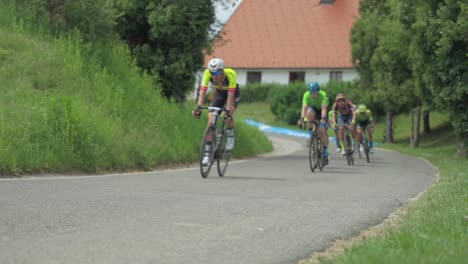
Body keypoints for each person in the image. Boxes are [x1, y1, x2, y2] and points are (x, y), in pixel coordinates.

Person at [192, 58, 240, 166]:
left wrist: (227, 110)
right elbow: (202, 92)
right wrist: (199, 107)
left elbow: (231, 96)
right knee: (210, 121)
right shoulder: (207, 73)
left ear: (222, 70)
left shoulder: (230, 74)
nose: (215, 75)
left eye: (217, 72)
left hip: (231, 94)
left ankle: (230, 135)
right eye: (212, 72)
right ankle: (207, 155)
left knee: (227, 116)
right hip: (218, 94)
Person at [297, 82, 329, 165]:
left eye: (315, 93)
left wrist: (322, 119)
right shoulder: (306, 95)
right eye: (311, 93)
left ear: (318, 92)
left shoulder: (323, 95)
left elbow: (324, 109)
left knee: (322, 131)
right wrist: (302, 119)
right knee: (308, 115)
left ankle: (325, 154)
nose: (313, 95)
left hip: (321, 111)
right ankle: (311, 136)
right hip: (313, 109)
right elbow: (304, 108)